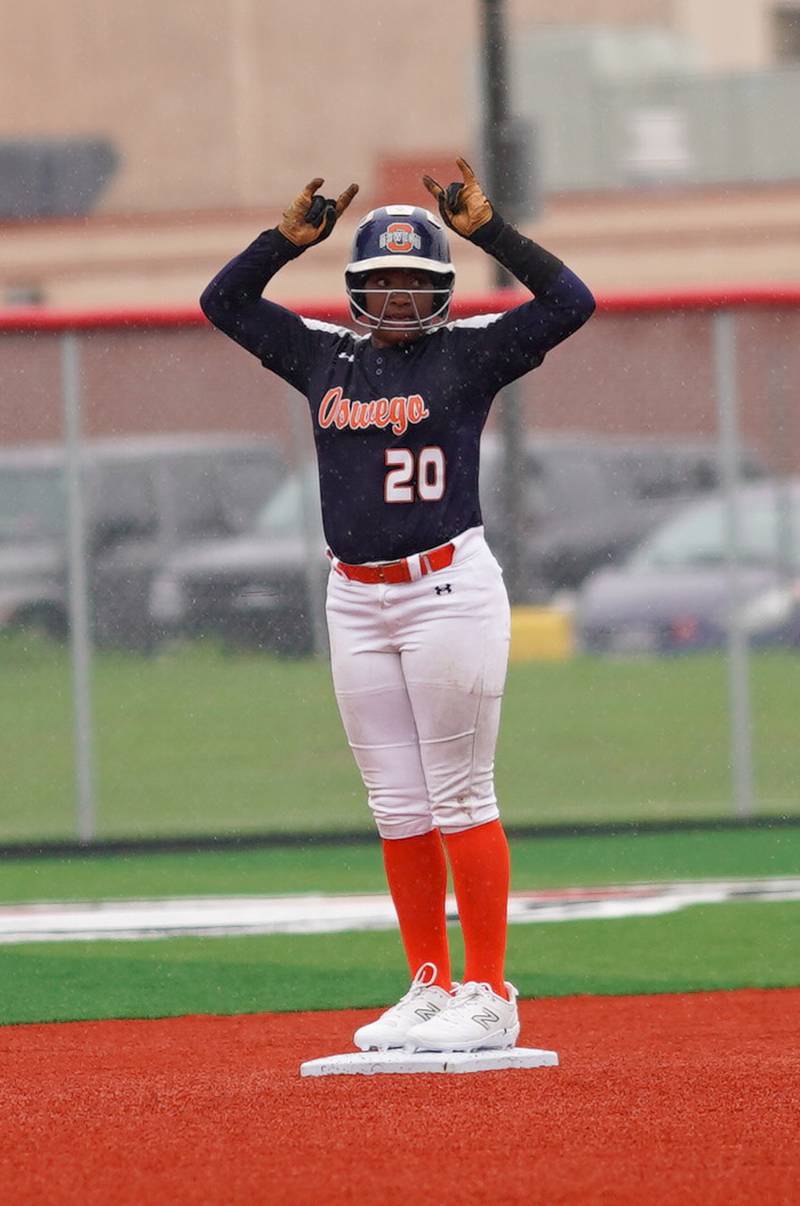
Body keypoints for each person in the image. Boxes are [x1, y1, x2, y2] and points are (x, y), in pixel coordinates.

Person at [200, 159, 595, 1053]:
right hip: (354, 595)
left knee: (461, 794)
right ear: (356, 286)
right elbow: (222, 303)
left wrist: (491, 232)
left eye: (417, 281)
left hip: (446, 586)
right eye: (382, 279)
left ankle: (491, 990)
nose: (399, 295)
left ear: (443, 289)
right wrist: (284, 240)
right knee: (397, 806)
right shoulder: (320, 354)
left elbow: (571, 301)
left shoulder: (471, 350)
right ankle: (428, 981)